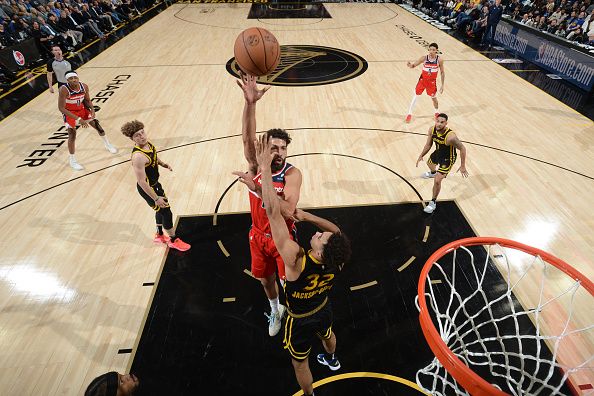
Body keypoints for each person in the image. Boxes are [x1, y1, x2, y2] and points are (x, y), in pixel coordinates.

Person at [255, 134, 351, 396]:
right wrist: (306, 215)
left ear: (319, 251)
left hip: (298, 320)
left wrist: (264, 170)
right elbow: (337, 232)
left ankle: (309, 395)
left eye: (320, 238)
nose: (319, 234)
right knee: (328, 333)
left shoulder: (295, 258)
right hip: (322, 307)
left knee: (300, 363)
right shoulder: (336, 260)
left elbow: (273, 213)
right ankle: (332, 359)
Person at [233, 73, 303, 337]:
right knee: (265, 280)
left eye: (283, 148)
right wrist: (251, 104)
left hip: (283, 237)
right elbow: (245, 139)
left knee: (291, 284)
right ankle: (276, 310)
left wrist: (258, 189)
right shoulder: (256, 165)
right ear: (265, 147)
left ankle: (296, 315)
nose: (279, 153)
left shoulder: (292, 174)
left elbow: (287, 210)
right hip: (258, 236)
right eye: (274, 148)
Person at [121, 120, 191, 251]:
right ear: (132, 139)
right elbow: (142, 182)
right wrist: (156, 198)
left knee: (159, 210)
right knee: (166, 212)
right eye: (137, 135)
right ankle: (173, 240)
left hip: (155, 184)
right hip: (147, 188)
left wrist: (163, 164)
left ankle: (159, 235)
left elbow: (154, 157)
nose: (142, 136)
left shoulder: (149, 145)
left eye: (142, 132)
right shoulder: (138, 157)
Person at [58, 71, 117, 170]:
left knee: (98, 126)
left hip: (81, 109)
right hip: (70, 112)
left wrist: (93, 110)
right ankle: (72, 160)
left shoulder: (84, 86)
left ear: (78, 78)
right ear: (67, 80)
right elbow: (61, 108)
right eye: (71, 78)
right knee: (72, 135)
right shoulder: (63, 90)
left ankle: (108, 144)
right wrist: (78, 119)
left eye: (75, 77)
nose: (74, 80)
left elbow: (87, 100)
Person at [416, 113, 468, 214]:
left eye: (442, 122)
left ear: (446, 123)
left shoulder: (451, 137)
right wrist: (421, 155)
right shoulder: (432, 129)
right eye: (438, 121)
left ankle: (433, 202)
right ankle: (433, 172)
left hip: (448, 158)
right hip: (438, 152)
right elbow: (428, 144)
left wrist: (462, 166)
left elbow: (462, 148)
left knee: (437, 181)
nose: (439, 124)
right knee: (429, 164)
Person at [405, 42, 446, 123]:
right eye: (430, 49)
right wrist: (410, 65)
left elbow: (442, 72)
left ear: (436, 51)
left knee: (434, 99)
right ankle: (409, 113)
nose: (431, 51)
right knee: (416, 96)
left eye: (433, 50)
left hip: (432, 83)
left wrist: (442, 85)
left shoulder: (439, 60)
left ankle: (436, 112)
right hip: (422, 81)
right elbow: (414, 65)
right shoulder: (424, 58)